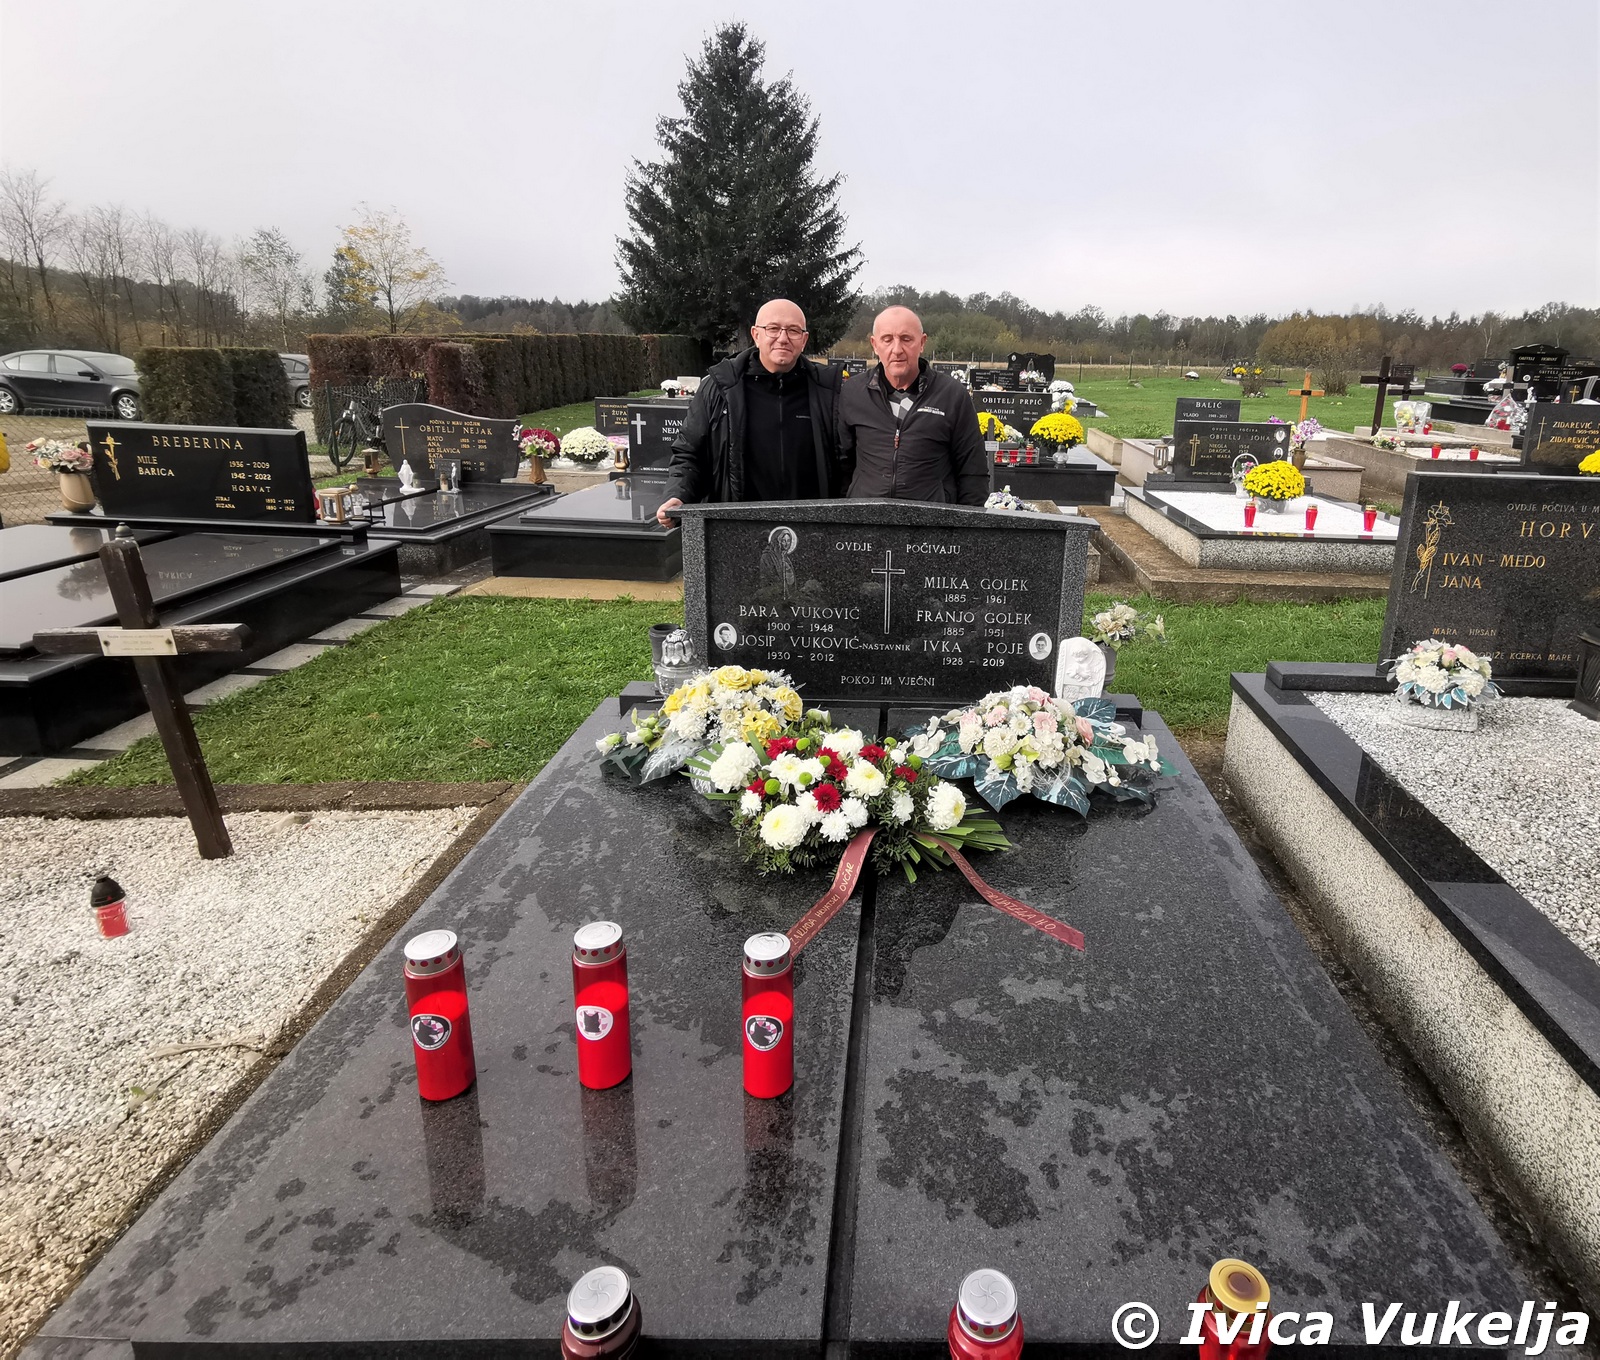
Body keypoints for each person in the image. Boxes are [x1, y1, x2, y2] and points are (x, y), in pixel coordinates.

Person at [655, 299, 843, 526]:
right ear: (756, 335)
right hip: (738, 528)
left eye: (793, 330)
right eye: (773, 328)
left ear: (804, 340)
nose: (783, 338)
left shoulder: (828, 390)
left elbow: (849, 460)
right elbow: (690, 453)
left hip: (812, 527)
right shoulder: (720, 387)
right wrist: (678, 495)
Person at [837, 305, 988, 506]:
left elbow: (973, 471)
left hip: (931, 519)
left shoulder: (952, 395)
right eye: (887, 339)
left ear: (922, 342)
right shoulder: (853, 393)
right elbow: (842, 462)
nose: (897, 349)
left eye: (906, 339)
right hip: (868, 518)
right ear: (875, 345)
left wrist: (963, 522)